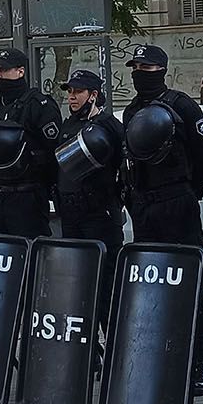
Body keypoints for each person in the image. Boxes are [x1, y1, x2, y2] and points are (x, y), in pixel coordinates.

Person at [121, 44, 203, 394]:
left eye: (145, 67)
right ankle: (163, 352)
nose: (138, 73)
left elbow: (202, 156)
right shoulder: (132, 111)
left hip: (177, 202)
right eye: (135, 67)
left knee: (190, 283)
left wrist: (190, 192)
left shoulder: (182, 106)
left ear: (160, 69)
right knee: (152, 282)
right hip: (144, 207)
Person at [54, 68, 126, 355]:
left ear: (93, 95)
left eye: (78, 92)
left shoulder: (109, 125)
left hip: (100, 215)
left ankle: (115, 351)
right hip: (72, 216)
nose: (72, 97)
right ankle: (86, 352)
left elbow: (124, 165)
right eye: (70, 92)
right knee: (79, 285)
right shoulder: (67, 125)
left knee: (107, 285)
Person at [0, 48, 62, 239]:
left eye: (4, 70)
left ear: (20, 71)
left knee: (28, 252)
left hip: (27, 195)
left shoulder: (39, 105)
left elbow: (52, 151)